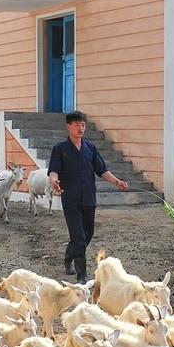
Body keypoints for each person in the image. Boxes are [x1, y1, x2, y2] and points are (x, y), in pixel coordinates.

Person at [48, 110, 129, 284]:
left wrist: (117, 182)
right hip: (70, 199)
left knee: (87, 234)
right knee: (78, 237)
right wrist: (54, 181)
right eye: (77, 125)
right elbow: (54, 170)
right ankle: (81, 275)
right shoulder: (60, 149)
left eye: (83, 125)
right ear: (69, 126)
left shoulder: (90, 147)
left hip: (88, 199)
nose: (80, 128)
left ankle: (69, 255)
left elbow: (102, 170)